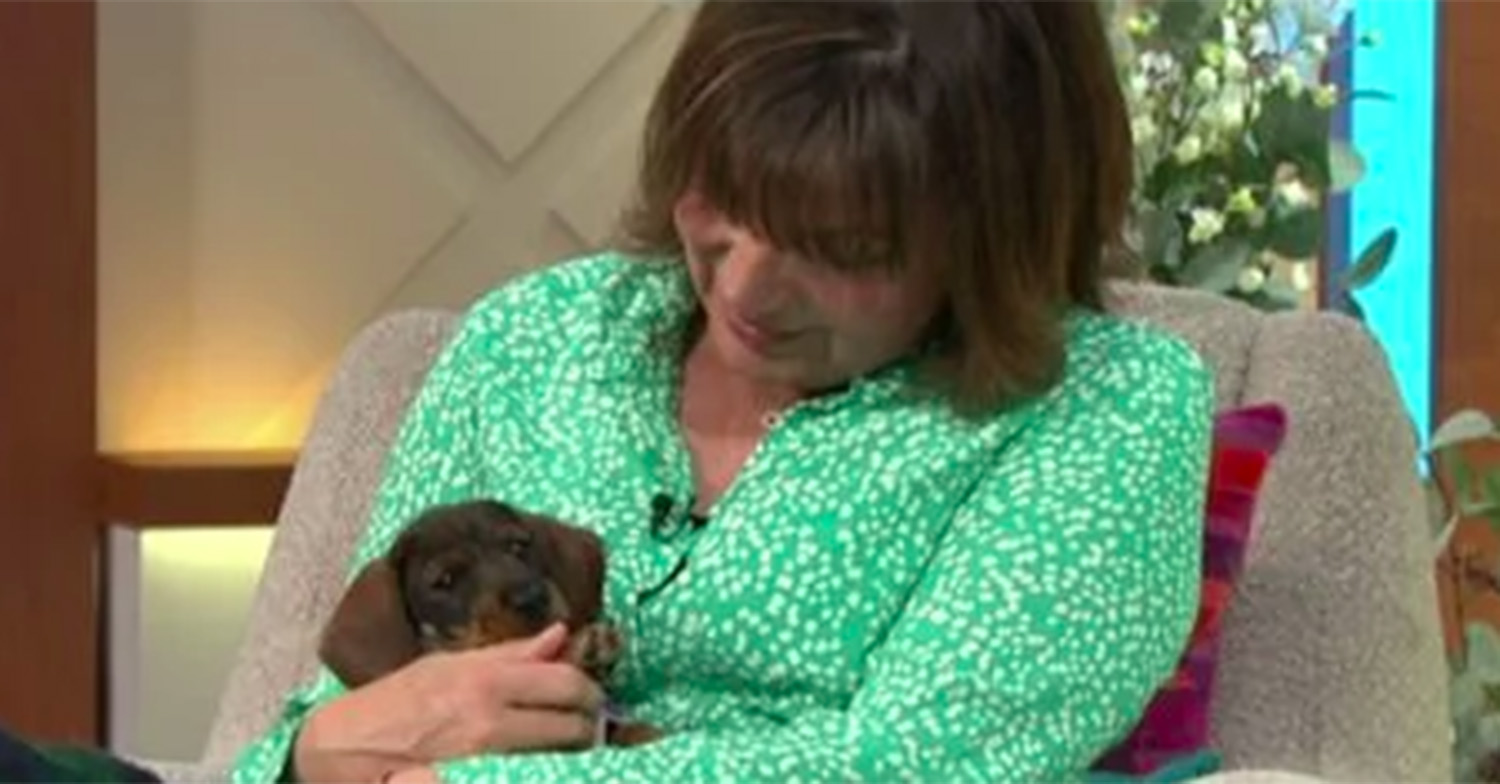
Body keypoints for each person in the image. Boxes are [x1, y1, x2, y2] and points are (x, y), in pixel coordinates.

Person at [231, 1, 1215, 782]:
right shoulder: (529, 339)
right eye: (721, 200)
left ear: (993, 237)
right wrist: (316, 756)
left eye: (843, 250)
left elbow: (921, 764)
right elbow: (329, 717)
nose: (741, 289)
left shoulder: (1107, 403)